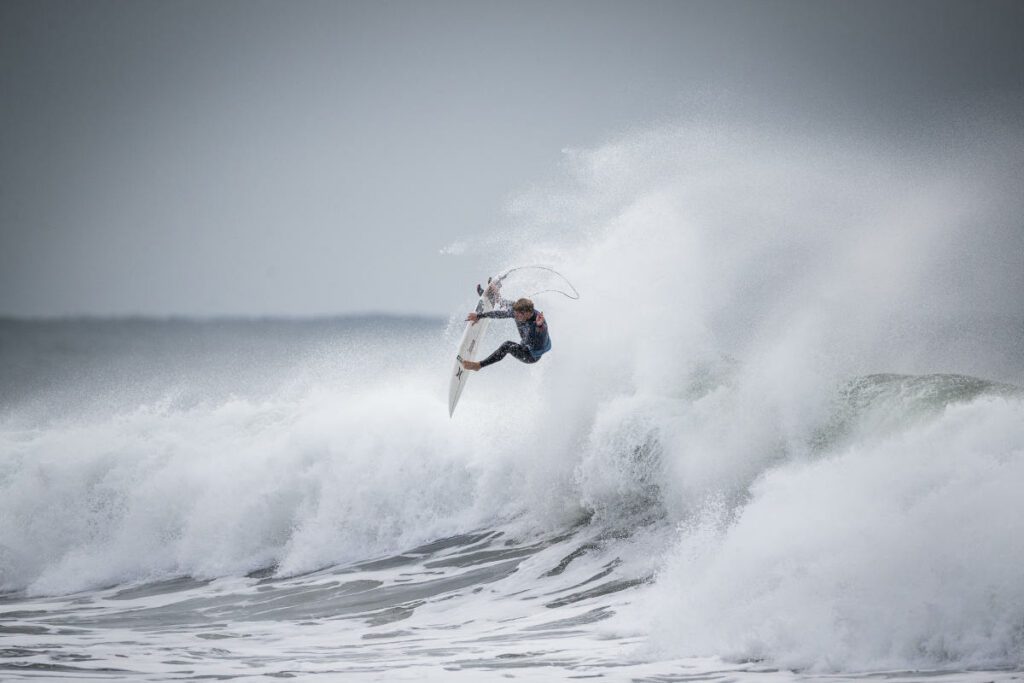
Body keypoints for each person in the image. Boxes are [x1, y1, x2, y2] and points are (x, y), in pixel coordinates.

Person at [461, 297, 551, 371]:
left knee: (507, 345)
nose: (515, 316)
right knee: (513, 306)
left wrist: (539, 326)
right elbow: (502, 314)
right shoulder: (523, 312)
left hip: (531, 355)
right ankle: (498, 299)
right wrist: (479, 316)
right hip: (526, 337)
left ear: (527, 314)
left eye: (518, 315)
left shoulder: (539, 325)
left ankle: (478, 366)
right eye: (516, 314)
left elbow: (536, 336)